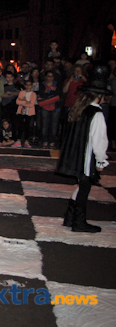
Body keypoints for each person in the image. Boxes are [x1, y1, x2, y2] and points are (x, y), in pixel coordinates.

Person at [56, 64, 109, 233]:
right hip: (86, 156)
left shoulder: (79, 109)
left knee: (82, 186)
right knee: (84, 188)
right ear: (99, 96)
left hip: (76, 155)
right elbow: (99, 140)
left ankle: (70, 218)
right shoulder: (96, 114)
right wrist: (101, 160)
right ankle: (78, 222)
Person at [37, 71, 61, 148]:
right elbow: (41, 94)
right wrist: (50, 92)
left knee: (54, 125)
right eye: (48, 76)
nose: (50, 78)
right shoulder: (42, 84)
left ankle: (52, 141)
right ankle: (45, 141)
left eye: (51, 76)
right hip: (45, 107)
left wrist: (47, 92)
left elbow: (58, 94)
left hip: (55, 107)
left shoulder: (57, 84)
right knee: (44, 125)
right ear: (45, 77)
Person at [13, 79, 37, 148]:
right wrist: (26, 102)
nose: (28, 86)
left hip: (29, 113)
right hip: (21, 112)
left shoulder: (33, 94)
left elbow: (31, 104)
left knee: (28, 127)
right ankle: (18, 141)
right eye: (27, 85)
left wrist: (23, 101)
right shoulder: (22, 92)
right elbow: (17, 102)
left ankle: (26, 141)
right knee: (20, 126)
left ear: (32, 86)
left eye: (29, 85)